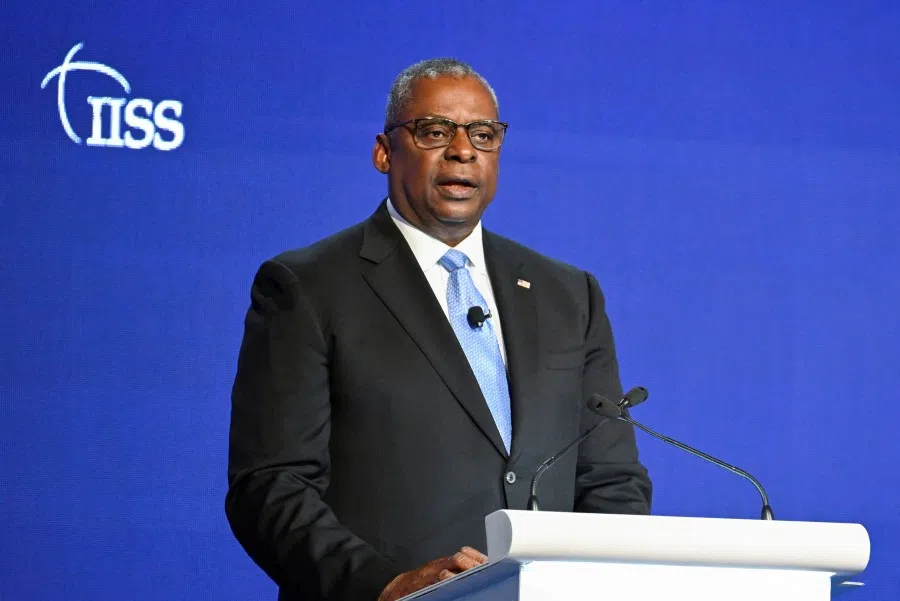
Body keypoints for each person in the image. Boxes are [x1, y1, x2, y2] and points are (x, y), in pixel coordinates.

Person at [225, 58, 652, 601]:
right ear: (384, 152)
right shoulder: (308, 287)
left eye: (483, 134)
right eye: (434, 131)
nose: (462, 149)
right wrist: (385, 586)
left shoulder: (568, 294)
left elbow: (611, 480)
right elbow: (270, 485)